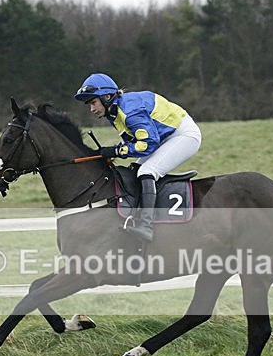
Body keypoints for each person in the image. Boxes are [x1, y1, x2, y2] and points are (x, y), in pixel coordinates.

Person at [74, 73, 202, 242]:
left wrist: (116, 151)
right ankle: (136, 217)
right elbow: (134, 142)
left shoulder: (130, 111)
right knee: (135, 170)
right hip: (163, 137)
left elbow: (147, 144)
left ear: (106, 97)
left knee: (147, 171)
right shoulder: (114, 113)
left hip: (183, 135)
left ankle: (147, 226)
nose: (91, 109)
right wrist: (114, 151)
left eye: (93, 102)